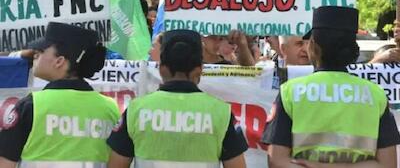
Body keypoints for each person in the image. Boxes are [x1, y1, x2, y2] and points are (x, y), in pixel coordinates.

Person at [262, 6, 400, 167]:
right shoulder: (376, 95)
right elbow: (388, 164)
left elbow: (276, 160)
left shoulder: (290, 92)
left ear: (314, 46)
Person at [107, 29, 248, 168]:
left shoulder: (135, 110)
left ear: (161, 69)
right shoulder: (221, 113)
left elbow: (115, 165)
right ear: (200, 70)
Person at [0, 22, 120, 167]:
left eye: (41, 50)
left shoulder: (30, 106)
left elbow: (5, 163)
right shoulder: (111, 108)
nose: (34, 54)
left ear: (59, 61)